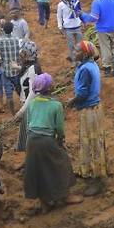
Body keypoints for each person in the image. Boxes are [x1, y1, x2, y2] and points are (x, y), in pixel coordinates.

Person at [22, 74, 82, 213]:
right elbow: (59, 128)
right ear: (50, 87)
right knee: (62, 163)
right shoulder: (56, 105)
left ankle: (45, 203)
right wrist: (60, 141)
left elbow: (29, 122)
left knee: (38, 170)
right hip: (46, 140)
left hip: (31, 140)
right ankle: (65, 196)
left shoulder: (32, 103)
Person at [67, 41, 108, 197]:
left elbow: (83, 93)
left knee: (91, 143)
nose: (74, 51)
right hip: (95, 107)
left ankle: (96, 180)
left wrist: (71, 102)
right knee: (97, 140)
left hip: (89, 109)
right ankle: (99, 171)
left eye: (77, 50)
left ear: (84, 54)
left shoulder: (85, 69)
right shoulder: (91, 65)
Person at [80, 0, 114, 77]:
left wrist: (83, 15)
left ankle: (107, 68)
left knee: (105, 48)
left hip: (103, 29)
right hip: (113, 27)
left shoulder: (97, 1)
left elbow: (94, 18)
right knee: (112, 47)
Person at [0, 22, 21, 115]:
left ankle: (13, 115)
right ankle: (25, 108)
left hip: (6, 70)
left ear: (3, 30)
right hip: (16, 69)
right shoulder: (16, 39)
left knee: (9, 95)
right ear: (12, 30)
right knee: (20, 90)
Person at [56, 0, 83, 65]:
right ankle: (73, 61)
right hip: (68, 28)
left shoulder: (76, 2)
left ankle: (80, 60)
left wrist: (82, 21)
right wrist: (60, 26)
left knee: (80, 45)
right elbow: (59, 16)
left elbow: (80, 11)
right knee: (71, 45)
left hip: (77, 26)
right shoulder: (61, 5)